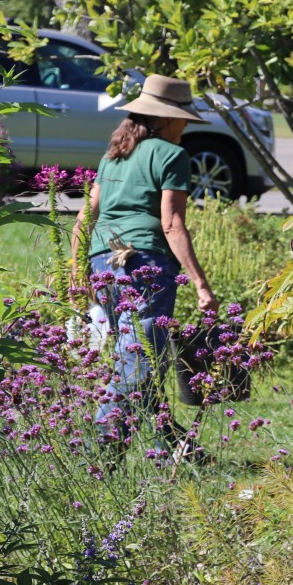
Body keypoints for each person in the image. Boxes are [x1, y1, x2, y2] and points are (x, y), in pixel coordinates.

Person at [72, 74, 220, 456]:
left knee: (137, 356)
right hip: (145, 265)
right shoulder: (172, 156)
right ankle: (100, 452)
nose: (186, 125)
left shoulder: (113, 155)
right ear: (168, 118)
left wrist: (75, 271)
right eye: (184, 118)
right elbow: (171, 224)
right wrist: (201, 284)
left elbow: (85, 218)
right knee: (138, 363)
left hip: (102, 261)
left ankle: (174, 447)